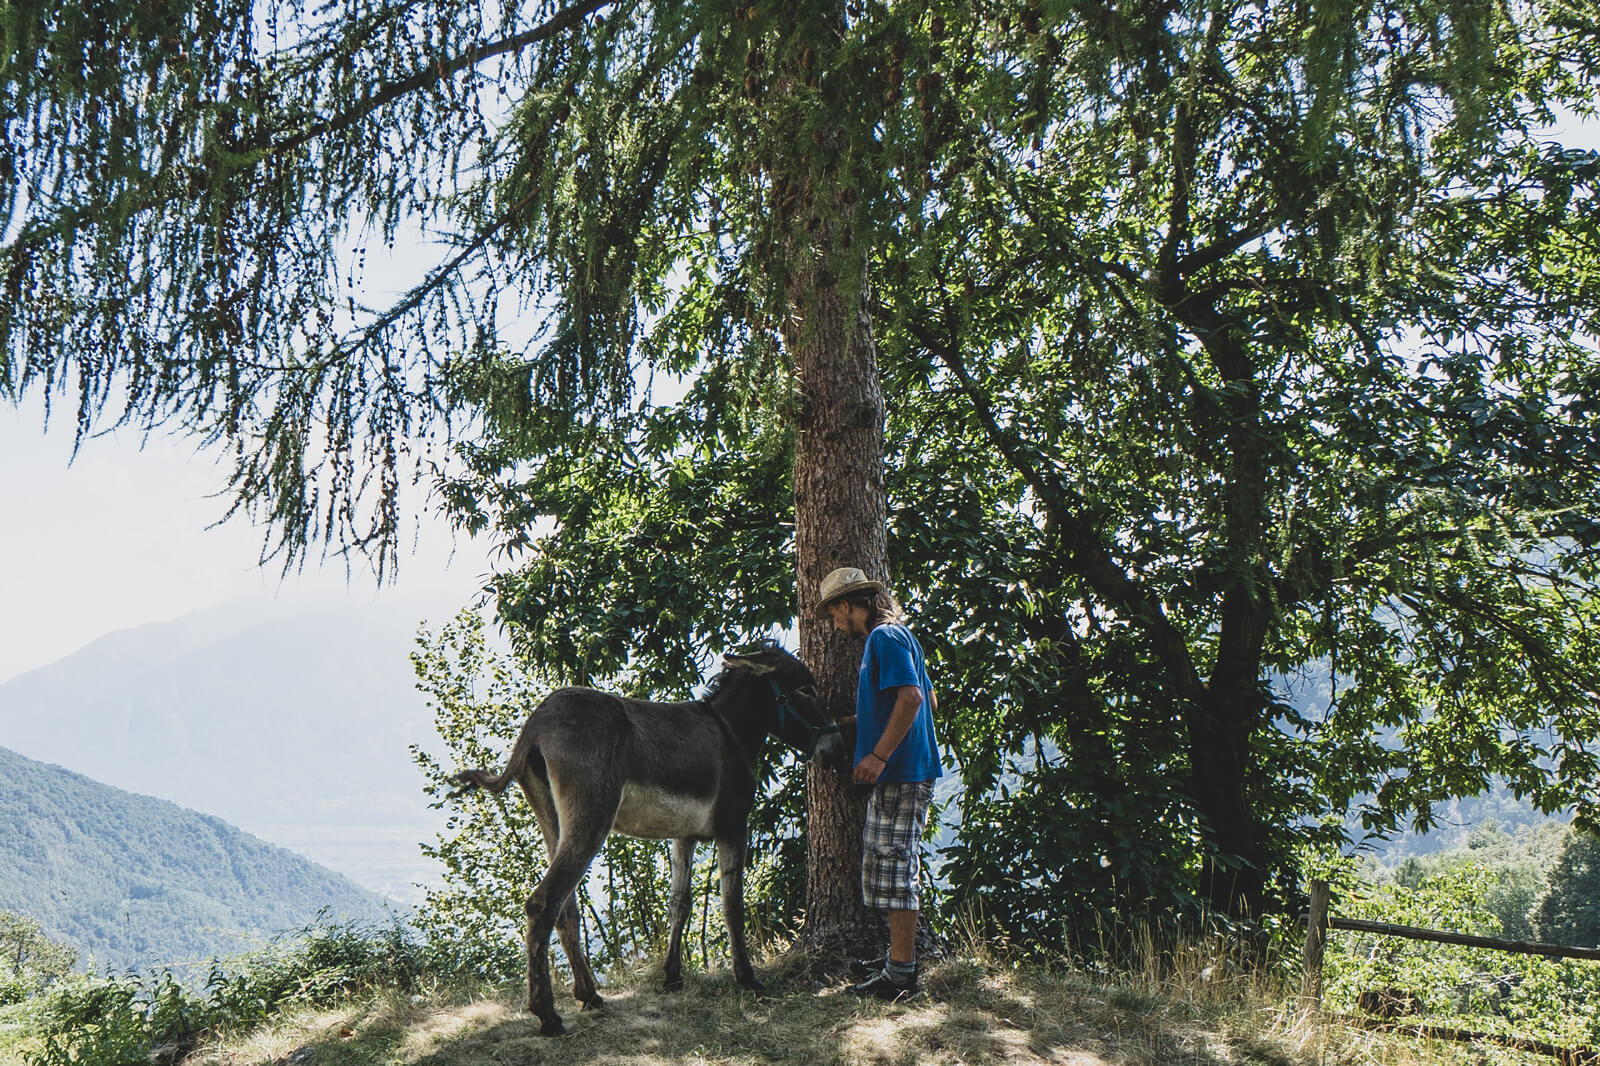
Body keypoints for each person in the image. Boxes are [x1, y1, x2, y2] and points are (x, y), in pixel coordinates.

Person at [815, 565, 942, 1000]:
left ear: (848, 606)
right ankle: (896, 959)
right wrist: (858, 722)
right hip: (907, 768)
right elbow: (927, 699)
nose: (833, 626)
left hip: (900, 772)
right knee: (889, 868)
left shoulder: (883, 638)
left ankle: (901, 977)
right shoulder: (900, 636)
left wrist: (878, 754)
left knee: (895, 868)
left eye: (833, 615)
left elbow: (913, 698)